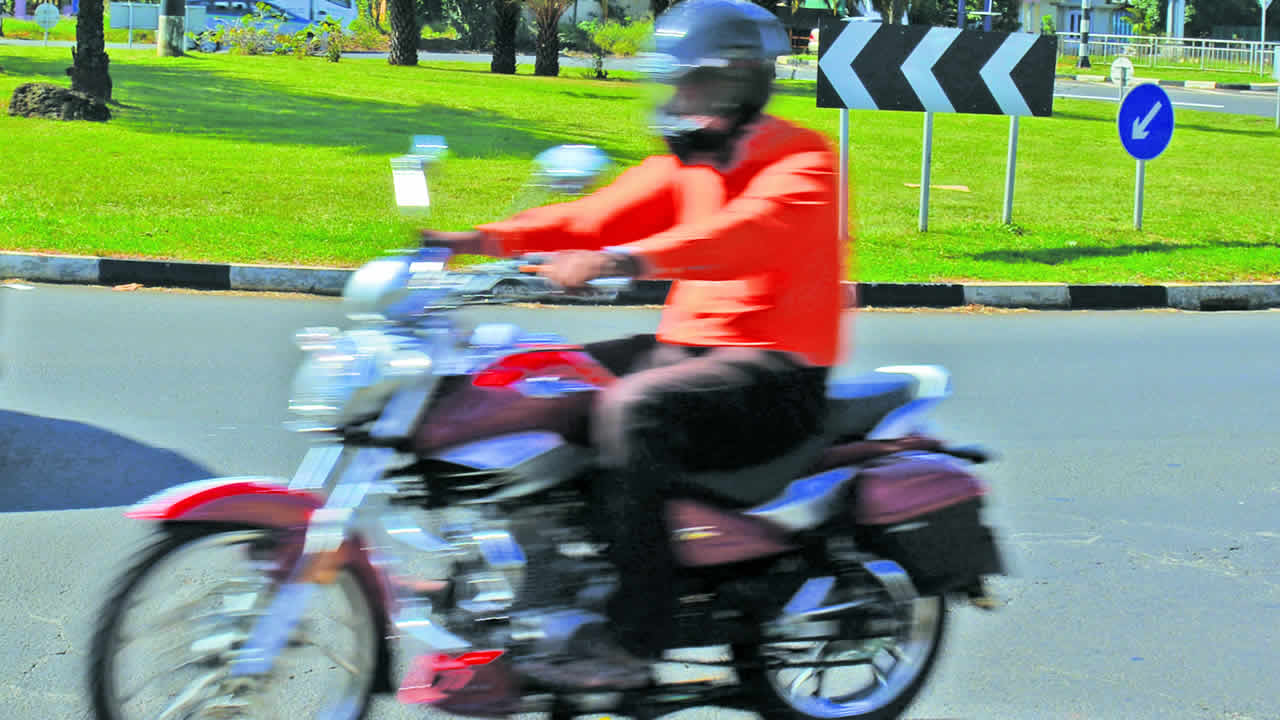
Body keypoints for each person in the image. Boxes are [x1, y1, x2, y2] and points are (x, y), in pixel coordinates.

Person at [421, 0, 846, 690]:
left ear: (740, 81)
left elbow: (739, 236)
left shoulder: (803, 160)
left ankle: (633, 636)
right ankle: (538, 568)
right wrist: (471, 241)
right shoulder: (691, 164)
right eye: (674, 82)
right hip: (689, 352)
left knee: (631, 410)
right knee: (536, 378)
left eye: (694, 82)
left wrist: (622, 260)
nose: (679, 98)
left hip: (776, 376)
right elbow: (589, 217)